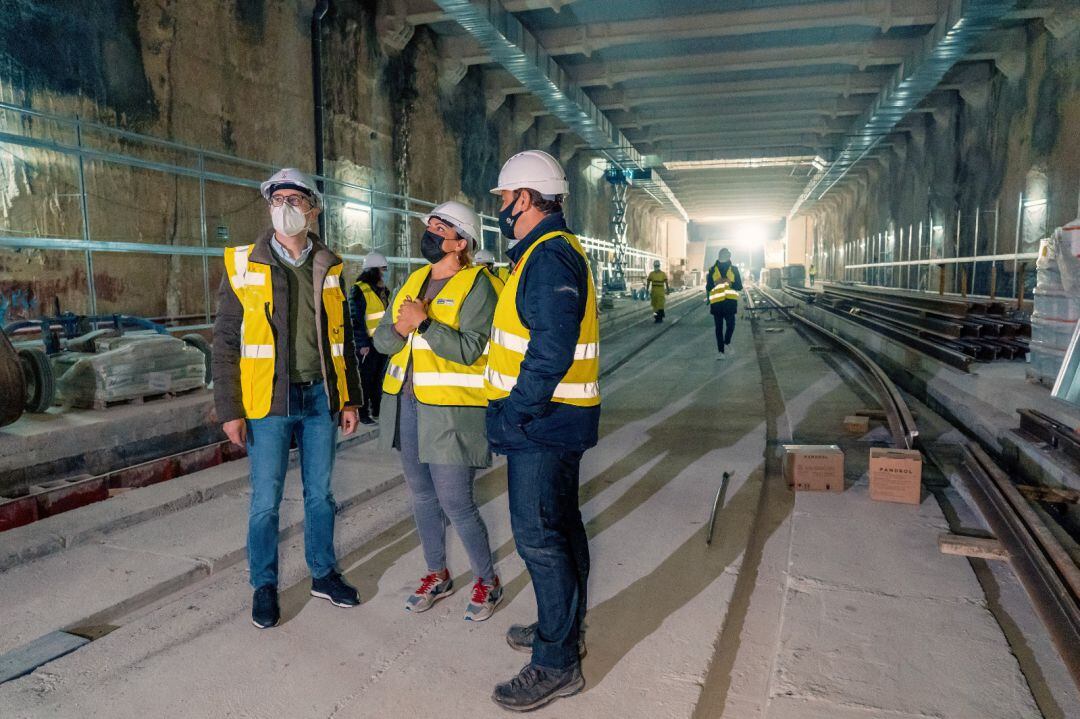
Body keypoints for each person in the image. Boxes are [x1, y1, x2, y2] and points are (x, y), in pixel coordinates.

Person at [212, 168, 362, 630]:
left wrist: (350, 399)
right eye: (278, 199)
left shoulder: (330, 264)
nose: (286, 207)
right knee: (266, 500)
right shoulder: (243, 264)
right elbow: (225, 343)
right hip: (267, 402)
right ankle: (264, 585)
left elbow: (343, 337)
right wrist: (230, 410)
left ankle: (322, 573)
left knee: (320, 495)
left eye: (295, 199)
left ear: (312, 210)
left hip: (320, 397)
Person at [485, 150, 599, 712]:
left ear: (525, 199)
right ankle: (562, 629)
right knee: (561, 530)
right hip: (555, 421)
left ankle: (557, 664)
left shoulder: (549, 258)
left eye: (505, 200)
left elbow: (550, 350)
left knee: (538, 539)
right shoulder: (544, 253)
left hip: (543, 424)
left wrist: (514, 414)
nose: (502, 209)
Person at [372, 200, 504, 622]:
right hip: (408, 404)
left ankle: (486, 579)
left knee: (456, 501)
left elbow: (469, 350)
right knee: (422, 495)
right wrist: (401, 326)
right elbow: (382, 342)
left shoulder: (477, 286)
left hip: (452, 411)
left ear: (460, 241)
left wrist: (426, 324)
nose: (428, 233)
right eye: (428, 225)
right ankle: (437, 573)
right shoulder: (414, 278)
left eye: (438, 227)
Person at [350, 252, 390, 425]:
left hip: (381, 342)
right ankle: (363, 414)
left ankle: (378, 410)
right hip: (368, 344)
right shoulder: (359, 289)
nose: (384, 272)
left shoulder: (383, 290)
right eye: (382, 269)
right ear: (373, 270)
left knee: (377, 380)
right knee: (365, 380)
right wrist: (362, 344)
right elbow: (356, 319)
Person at [706, 247, 743, 360]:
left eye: (727, 254)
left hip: (729, 303)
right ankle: (721, 352)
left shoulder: (734, 270)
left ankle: (727, 342)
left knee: (731, 325)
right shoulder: (712, 270)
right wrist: (715, 284)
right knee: (719, 328)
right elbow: (708, 287)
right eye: (724, 254)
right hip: (717, 303)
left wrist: (730, 284)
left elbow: (739, 286)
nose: (726, 256)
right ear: (720, 256)